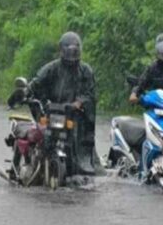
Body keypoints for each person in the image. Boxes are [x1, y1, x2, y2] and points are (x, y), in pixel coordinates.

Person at [18, 32, 101, 175]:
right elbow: (36, 82)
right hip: (52, 112)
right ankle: (32, 163)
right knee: (41, 135)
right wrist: (26, 92)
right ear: (61, 51)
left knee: (90, 161)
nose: (72, 54)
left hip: (74, 116)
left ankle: (80, 166)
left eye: (75, 51)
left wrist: (79, 102)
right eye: (68, 51)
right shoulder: (51, 68)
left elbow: (90, 93)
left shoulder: (85, 70)